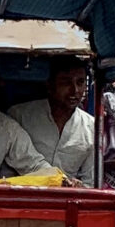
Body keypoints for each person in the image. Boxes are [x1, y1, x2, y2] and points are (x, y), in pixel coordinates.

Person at [9, 55, 100, 186]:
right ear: (49, 84)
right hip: (23, 196)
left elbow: (90, 182)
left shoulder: (91, 126)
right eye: (66, 82)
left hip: (67, 202)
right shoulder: (20, 115)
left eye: (80, 83)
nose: (75, 90)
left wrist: (78, 187)